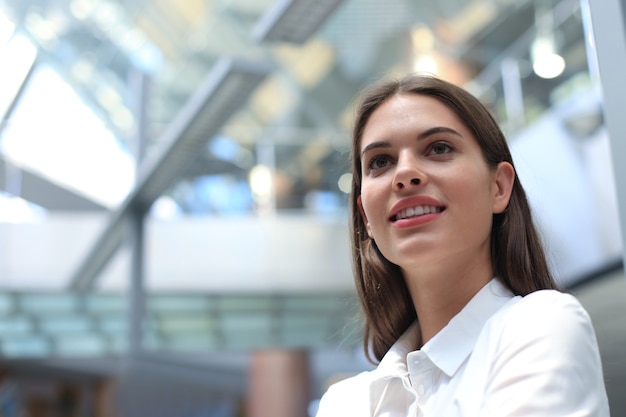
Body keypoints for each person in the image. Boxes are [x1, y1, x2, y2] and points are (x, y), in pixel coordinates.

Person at [315, 74, 610, 416]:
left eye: (439, 148)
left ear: (498, 187)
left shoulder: (541, 324)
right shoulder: (345, 404)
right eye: (381, 161)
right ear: (365, 214)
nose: (405, 173)